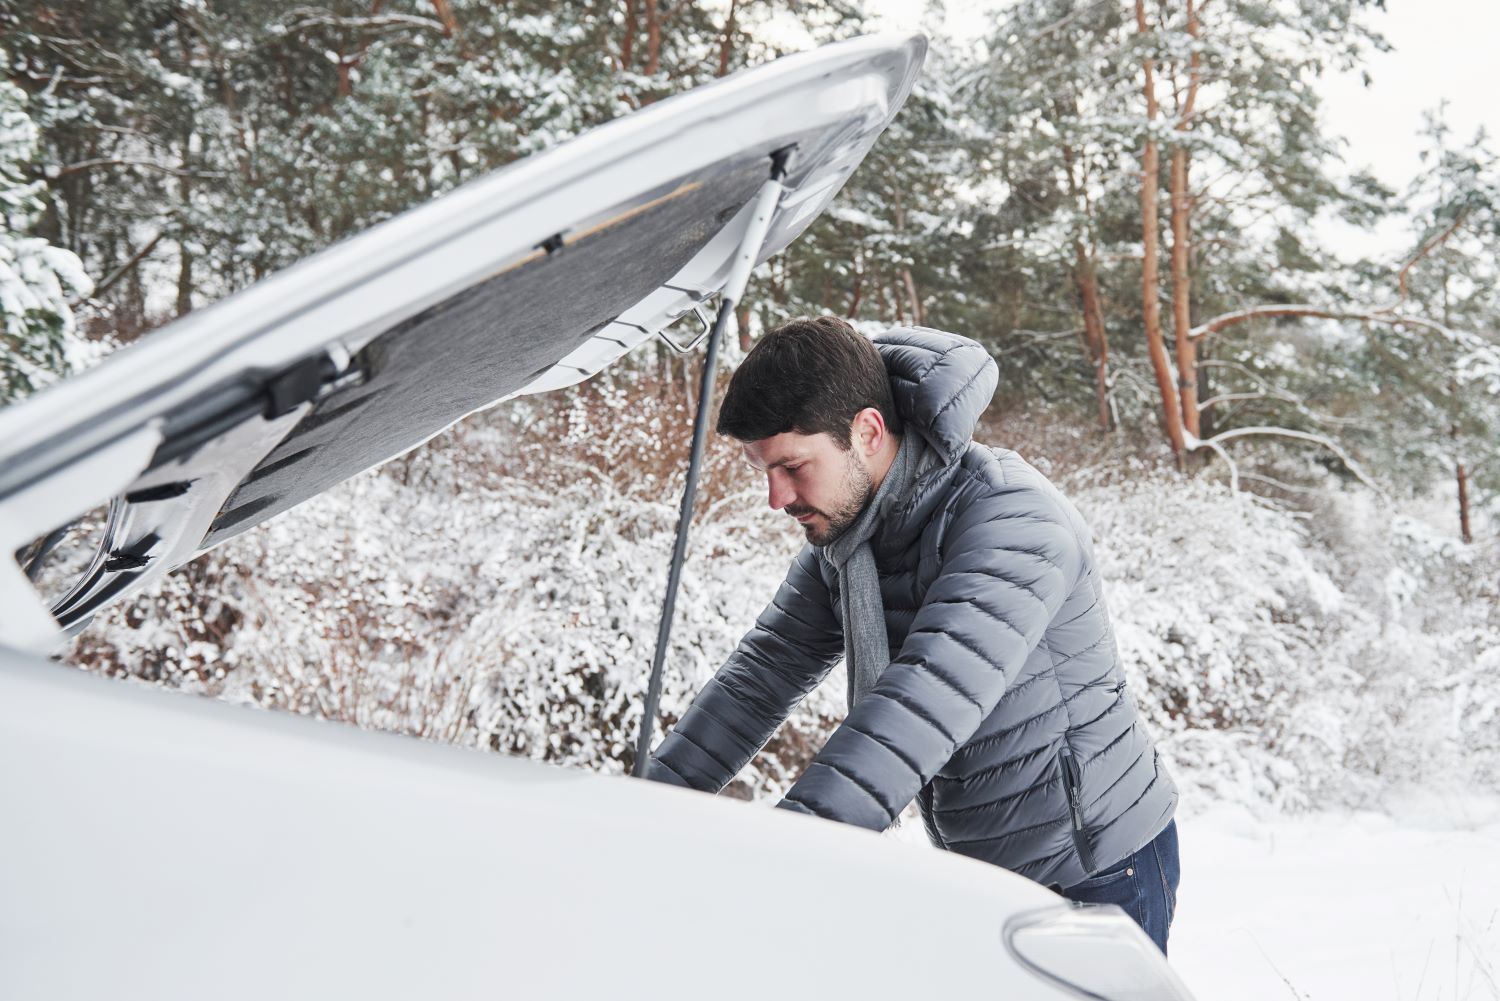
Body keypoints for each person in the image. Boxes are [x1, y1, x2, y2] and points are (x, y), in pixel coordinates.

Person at [643, 316, 1180, 953]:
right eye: (763, 469)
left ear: (867, 432)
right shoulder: (852, 540)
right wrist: (642, 811)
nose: (774, 496)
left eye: (792, 466)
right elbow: (762, 675)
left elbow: (923, 701)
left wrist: (792, 852)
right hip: (980, 870)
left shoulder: (1013, 520)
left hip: (1092, 869)